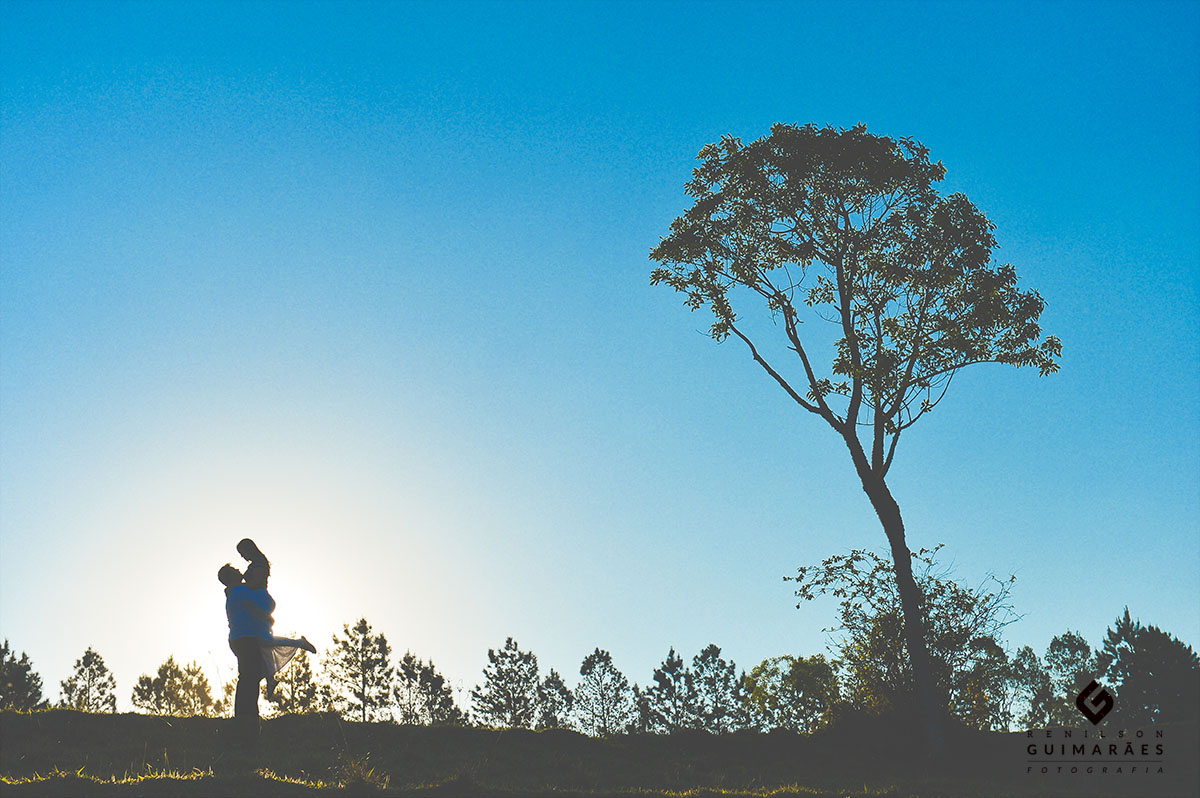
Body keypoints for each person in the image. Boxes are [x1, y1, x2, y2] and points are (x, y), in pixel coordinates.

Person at [234, 539, 316, 698]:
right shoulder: (256, 563)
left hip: (260, 600)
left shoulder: (259, 562)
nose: (242, 557)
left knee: (265, 640)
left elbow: (256, 583)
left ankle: (299, 643)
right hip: (257, 601)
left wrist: (237, 588)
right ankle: (270, 679)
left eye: (243, 553)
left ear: (249, 549)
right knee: (262, 642)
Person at [218, 563, 271, 740]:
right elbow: (263, 605)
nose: (240, 571)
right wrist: (261, 585)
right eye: (235, 571)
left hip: (239, 638)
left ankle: (245, 715)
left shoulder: (235, 591)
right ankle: (246, 716)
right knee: (250, 676)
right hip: (246, 638)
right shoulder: (240, 591)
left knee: (249, 676)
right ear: (231, 576)